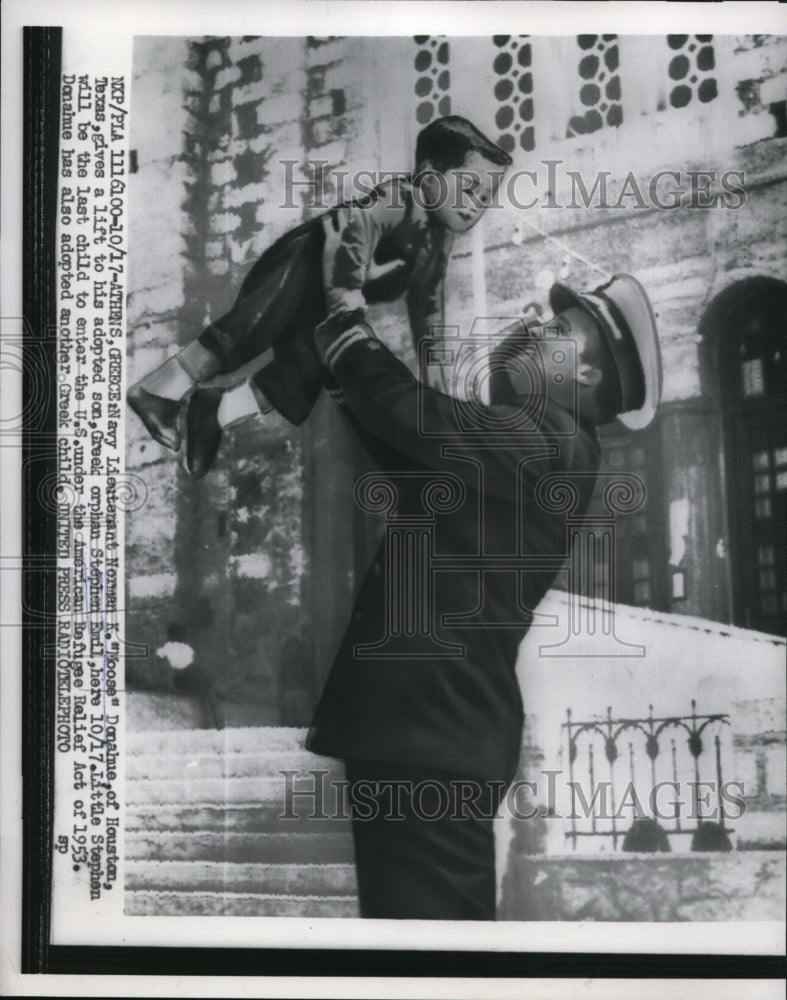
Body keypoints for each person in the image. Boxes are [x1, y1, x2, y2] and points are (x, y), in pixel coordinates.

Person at [305, 222, 663, 919]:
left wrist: (346, 315)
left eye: (556, 327)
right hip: (422, 731)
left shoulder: (547, 440)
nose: (533, 323)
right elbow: (411, 452)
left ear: (584, 373)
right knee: (411, 958)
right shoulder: (536, 441)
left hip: (430, 733)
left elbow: (418, 418)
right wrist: (348, 364)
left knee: (432, 969)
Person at [127, 116, 512, 477]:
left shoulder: (439, 243)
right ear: (429, 177)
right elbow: (350, 237)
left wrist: (438, 392)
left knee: (301, 375)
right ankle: (156, 391)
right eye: (469, 188)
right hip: (300, 267)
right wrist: (347, 312)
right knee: (247, 331)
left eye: (485, 199)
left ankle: (216, 410)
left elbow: (428, 309)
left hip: (326, 307)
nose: (475, 205)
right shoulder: (400, 200)